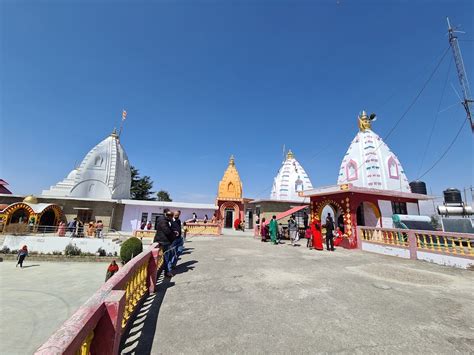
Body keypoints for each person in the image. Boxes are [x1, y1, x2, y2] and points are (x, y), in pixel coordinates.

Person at [154, 208, 177, 278]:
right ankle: (167, 272)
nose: (171, 217)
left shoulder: (165, 220)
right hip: (163, 241)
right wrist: (174, 234)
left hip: (164, 241)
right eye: (169, 215)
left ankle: (167, 271)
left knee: (166, 257)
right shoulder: (163, 221)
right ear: (165, 214)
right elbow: (167, 231)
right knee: (166, 257)